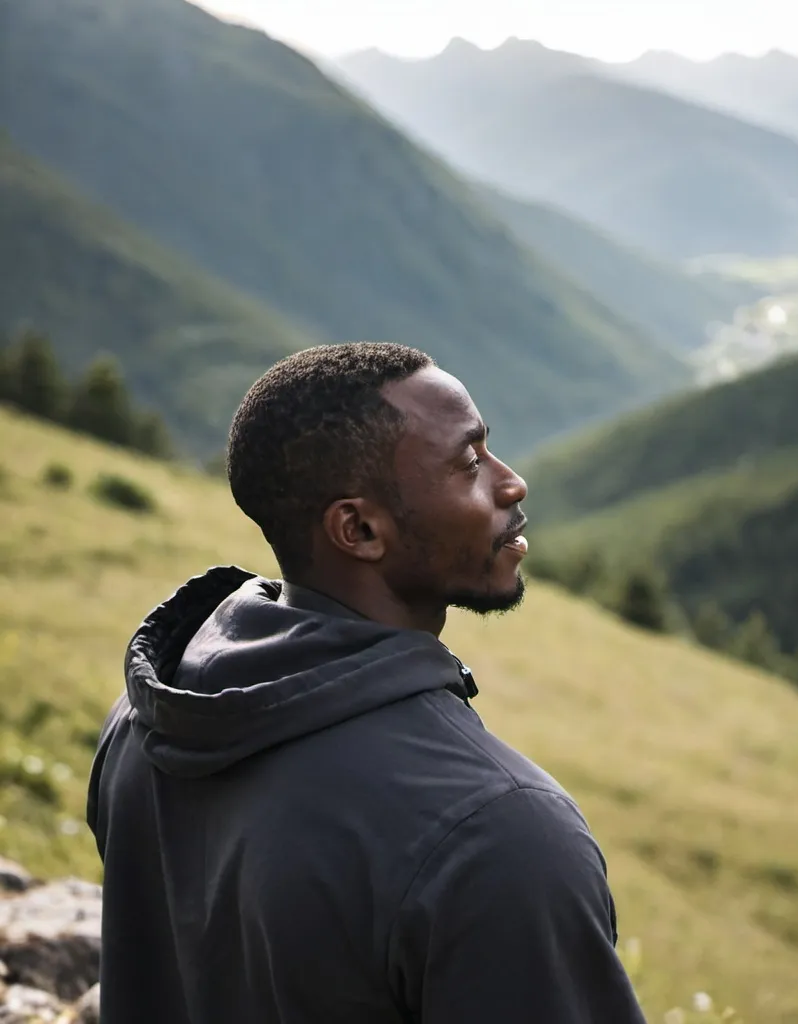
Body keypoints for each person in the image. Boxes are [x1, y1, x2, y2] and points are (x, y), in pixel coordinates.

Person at [87, 343, 647, 1024]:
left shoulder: (145, 721)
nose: (510, 483)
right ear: (359, 529)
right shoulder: (499, 835)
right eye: (469, 462)